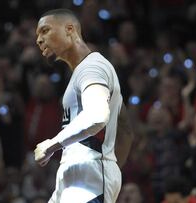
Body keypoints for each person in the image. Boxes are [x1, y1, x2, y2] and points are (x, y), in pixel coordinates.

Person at [33, 8, 133, 203]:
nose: (38, 40)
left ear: (69, 29)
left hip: (86, 181)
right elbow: (126, 130)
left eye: (45, 31)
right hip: (77, 179)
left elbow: (97, 116)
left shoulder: (92, 67)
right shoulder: (88, 71)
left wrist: (51, 145)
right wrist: (109, 169)